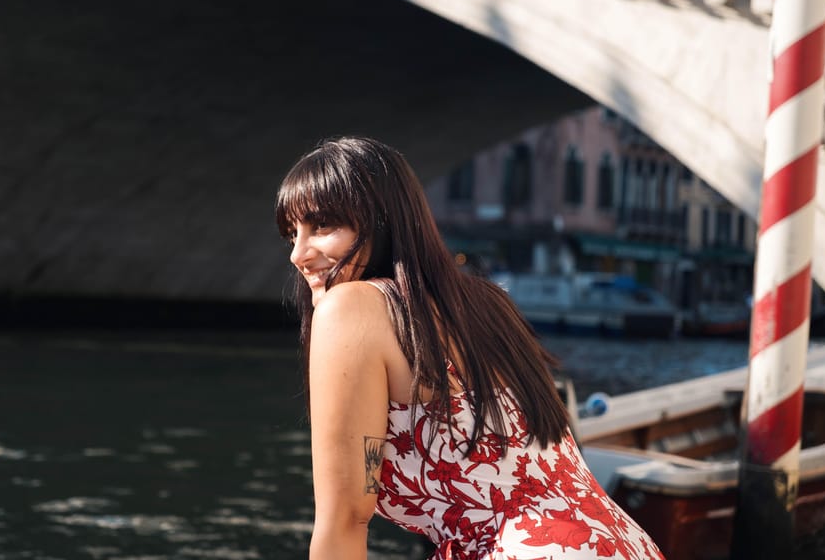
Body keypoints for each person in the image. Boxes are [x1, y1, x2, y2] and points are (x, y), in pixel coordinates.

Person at [275, 137, 664, 560]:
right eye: (292, 233)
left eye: (322, 227)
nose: (299, 254)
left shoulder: (350, 307)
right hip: (621, 542)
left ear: (381, 221)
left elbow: (345, 521)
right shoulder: (487, 304)